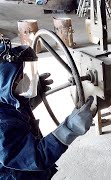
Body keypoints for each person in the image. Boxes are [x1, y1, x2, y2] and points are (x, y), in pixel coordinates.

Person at [0, 37, 94, 179]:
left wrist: (30, 98)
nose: (25, 80)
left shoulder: (6, 99)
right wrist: (70, 128)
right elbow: (36, 157)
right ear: (3, 80)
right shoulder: (2, 125)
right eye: (19, 78)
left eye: (26, 74)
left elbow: (15, 110)